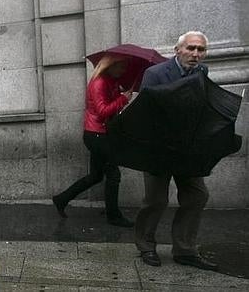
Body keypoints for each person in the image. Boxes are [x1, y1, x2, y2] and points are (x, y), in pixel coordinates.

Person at [134, 31, 218, 270]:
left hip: (187, 149)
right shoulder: (155, 74)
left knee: (197, 195)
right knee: (156, 200)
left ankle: (184, 249)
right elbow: (145, 113)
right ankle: (146, 246)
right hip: (158, 149)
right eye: (191, 48)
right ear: (177, 50)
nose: (195, 54)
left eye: (200, 50)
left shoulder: (202, 72)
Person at [52, 54, 135, 228]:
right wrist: (122, 99)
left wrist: (120, 94)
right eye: (120, 66)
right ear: (110, 66)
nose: (123, 70)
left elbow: (109, 108)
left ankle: (61, 199)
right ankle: (113, 216)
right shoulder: (99, 83)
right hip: (96, 135)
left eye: (124, 67)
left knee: (96, 176)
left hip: (101, 134)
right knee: (113, 174)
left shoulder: (111, 82)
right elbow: (102, 111)